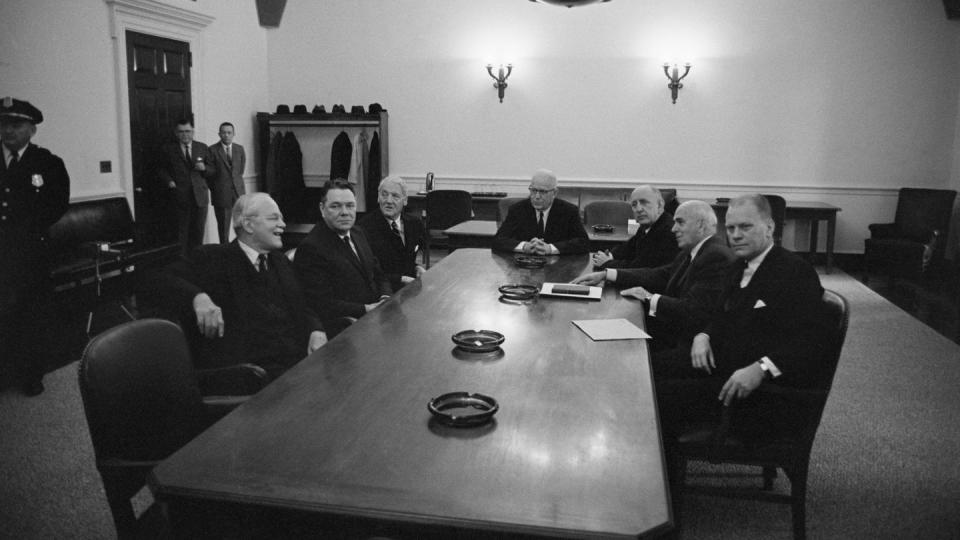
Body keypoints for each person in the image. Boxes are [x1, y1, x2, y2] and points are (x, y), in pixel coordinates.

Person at [658, 194, 826, 449]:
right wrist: (704, 335)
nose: (735, 235)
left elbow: (811, 343)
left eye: (745, 227)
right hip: (723, 365)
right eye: (731, 228)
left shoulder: (795, 272)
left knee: (656, 396)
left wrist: (762, 368)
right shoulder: (738, 266)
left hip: (757, 393)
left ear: (769, 227)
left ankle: (661, 483)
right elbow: (721, 315)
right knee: (648, 369)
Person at [166, 193, 327, 380]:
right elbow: (158, 278)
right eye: (274, 218)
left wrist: (316, 330)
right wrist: (197, 297)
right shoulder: (212, 258)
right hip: (250, 376)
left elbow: (303, 305)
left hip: (296, 365)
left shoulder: (280, 261)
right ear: (249, 225)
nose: (283, 224)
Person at [573, 200, 736, 365]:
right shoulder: (696, 251)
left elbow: (692, 311)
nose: (674, 229)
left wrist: (649, 297)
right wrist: (607, 274)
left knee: (619, 360)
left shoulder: (716, 256)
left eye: (680, 222)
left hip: (690, 347)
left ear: (701, 225)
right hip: (673, 332)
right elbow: (659, 274)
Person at [0, 97, 70, 396]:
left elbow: (56, 206)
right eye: (4, 124)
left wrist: (21, 231)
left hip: (31, 253)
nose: (8, 130)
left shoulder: (48, 163)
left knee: (32, 314)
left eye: (16, 124)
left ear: (32, 130)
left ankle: (31, 373)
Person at [294, 178, 392, 329]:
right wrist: (367, 309)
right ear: (322, 209)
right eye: (335, 206)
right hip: (347, 327)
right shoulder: (311, 248)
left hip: (376, 318)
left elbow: (378, 273)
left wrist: (385, 298)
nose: (345, 212)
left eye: (350, 206)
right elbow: (320, 303)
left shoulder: (358, 233)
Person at [492, 169, 589, 255]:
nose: (537, 196)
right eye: (533, 190)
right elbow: (498, 240)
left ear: (554, 193)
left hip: (557, 268)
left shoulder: (568, 211)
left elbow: (583, 242)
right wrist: (524, 246)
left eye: (542, 192)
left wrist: (550, 248)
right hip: (524, 267)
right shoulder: (518, 210)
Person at [357, 175, 426, 292]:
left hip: (410, 290)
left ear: (405, 201)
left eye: (395, 196)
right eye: (384, 195)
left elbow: (404, 259)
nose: (388, 201)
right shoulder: (363, 228)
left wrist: (416, 268)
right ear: (378, 198)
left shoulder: (414, 224)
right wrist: (400, 279)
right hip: (382, 292)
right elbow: (368, 272)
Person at [158, 118, 214, 255]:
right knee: (181, 233)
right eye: (181, 132)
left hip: (200, 197)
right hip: (180, 196)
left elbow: (213, 169)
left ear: (193, 131)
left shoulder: (202, 147)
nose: (185, 135)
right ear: (176, 133)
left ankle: (197, 261)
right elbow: (161, 169)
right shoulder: (168, 149)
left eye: (188, 131)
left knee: (199, 232)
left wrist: (204, 168)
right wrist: (169, 181)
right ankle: (182, 263)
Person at [590, 185, 678, 269]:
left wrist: (607, 263)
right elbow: (628, 247)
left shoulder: (669, 231)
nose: (638, 209)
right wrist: (609, 255)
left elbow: (642, 267)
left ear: (660, 205)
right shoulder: (647, 225)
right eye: (634, 205)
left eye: (644, 202)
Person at [208, 122, 246, 244]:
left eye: (229, 132)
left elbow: (240, 170)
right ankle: (225, 252)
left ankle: (241, 249)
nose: (226, 135)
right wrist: (217, 188)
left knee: (243, 225)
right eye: (223, 132)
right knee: (223, 227)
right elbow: (209, 174)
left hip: (238, 193)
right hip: (221, 194)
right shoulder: (212, 150)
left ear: (234, 134)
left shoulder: (239, 149)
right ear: (219, 134)